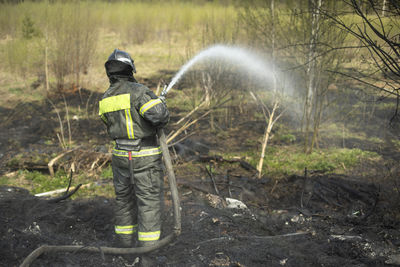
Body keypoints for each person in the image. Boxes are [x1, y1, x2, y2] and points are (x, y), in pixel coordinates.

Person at [99, 49, 169, 253]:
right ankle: (147, 256)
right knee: (148, 203)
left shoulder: (106, 97)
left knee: (124, 201)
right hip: (144, 156)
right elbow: (160, 116)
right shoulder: (138, 91)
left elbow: (107, 122)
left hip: (120, 156)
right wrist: (161, 104)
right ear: (130, 68)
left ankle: (125, 250)